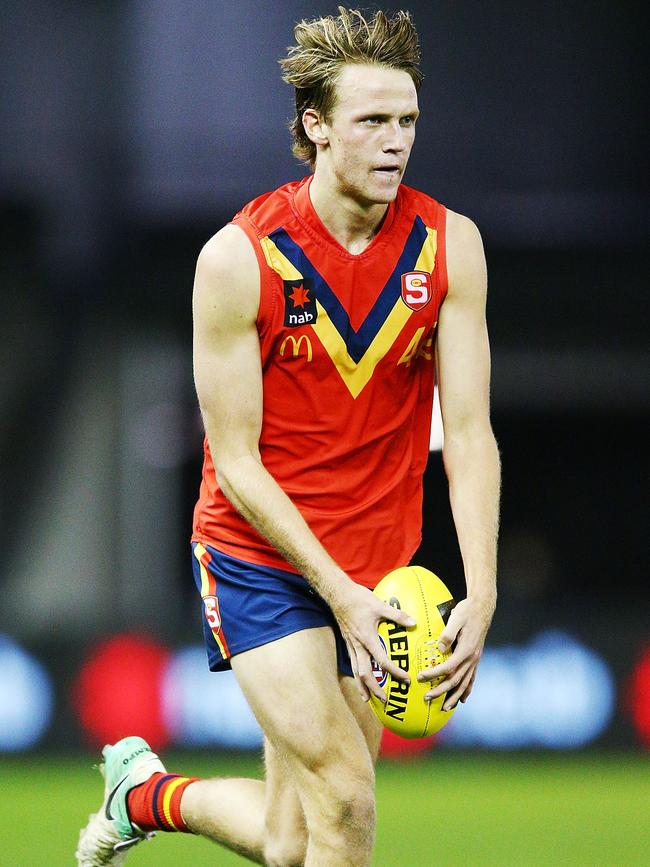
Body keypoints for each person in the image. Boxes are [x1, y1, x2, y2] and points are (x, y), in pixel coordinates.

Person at [77, 7, 500, 866]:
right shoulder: (238, 259)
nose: (396, 142)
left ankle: (144, 794)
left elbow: (469, 431)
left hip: (381, 562)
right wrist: (336, 592)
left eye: (407, 121)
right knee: (346, 798)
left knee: (292, 838)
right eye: (372, 121)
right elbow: (233, 462)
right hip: (261, 557)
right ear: (315, 127)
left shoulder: (450, 247)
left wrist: (482, 588)